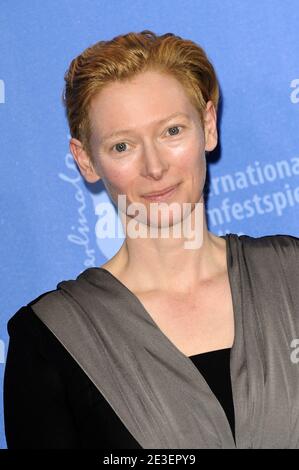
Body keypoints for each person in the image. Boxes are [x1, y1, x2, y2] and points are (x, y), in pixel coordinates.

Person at [3, 30, 299, 449]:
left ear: (208, 127)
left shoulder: (292, 278)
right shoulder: (51, 339)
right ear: (85, 159)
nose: (155, 166)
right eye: (122, 145)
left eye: (172, 131)